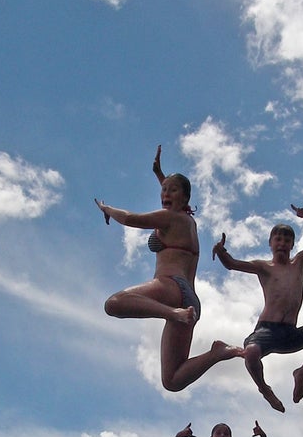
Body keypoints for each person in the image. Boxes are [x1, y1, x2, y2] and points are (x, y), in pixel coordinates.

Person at [95, 151, 242, 392]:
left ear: (185, 198)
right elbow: (172, 198)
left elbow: (131, 218)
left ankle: (171, 313)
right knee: (172, 380)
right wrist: (160, 176)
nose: (165, 193)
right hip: (189, 300)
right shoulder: (187, 221)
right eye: (164, 189)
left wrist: (107, 208)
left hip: (171, 288)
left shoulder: (171, 218)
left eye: (172, 190)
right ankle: (217, 353)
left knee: (114, 303)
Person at [212, 205, 303, 412]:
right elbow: (232, 264)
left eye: (287, 240)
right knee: (251, 352)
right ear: (270, 243)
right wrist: (221, 251)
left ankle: (301, 373)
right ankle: (265, 389)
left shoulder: (299, 262)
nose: (282, 243)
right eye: (278, 240)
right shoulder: (263, 267)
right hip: (267, 330)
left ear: (292, 244)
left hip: (290, 333)